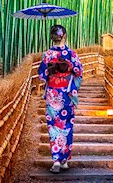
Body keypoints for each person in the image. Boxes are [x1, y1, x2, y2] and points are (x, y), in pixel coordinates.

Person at [38, 25, 83, 173]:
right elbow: (79, 71)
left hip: (53, 95)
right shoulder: (71, 54)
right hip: (66, 94)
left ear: (52, 37)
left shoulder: (47, 55)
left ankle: (56, 160)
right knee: (67, 126)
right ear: (64, 36)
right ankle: (64, 161)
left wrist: (52, 74)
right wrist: (69, 80)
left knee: (53, 126)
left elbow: (41, 76)